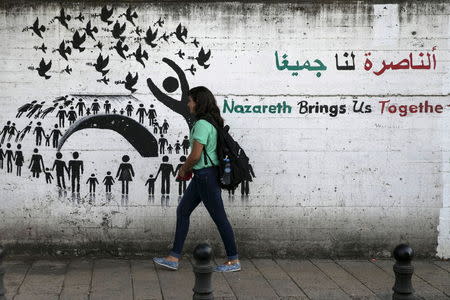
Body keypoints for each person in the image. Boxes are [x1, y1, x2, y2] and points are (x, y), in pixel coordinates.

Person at [153, 86, 240, 272]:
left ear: (198, 102)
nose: (188, 103)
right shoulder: (211, 122)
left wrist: (184, 169)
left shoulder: (201, 124)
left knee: (219, 218)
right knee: (183, 211)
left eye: (190, 100)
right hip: (204, 175)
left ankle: (233, 260)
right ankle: (173, 257)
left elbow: (195, 155)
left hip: (205, 176)